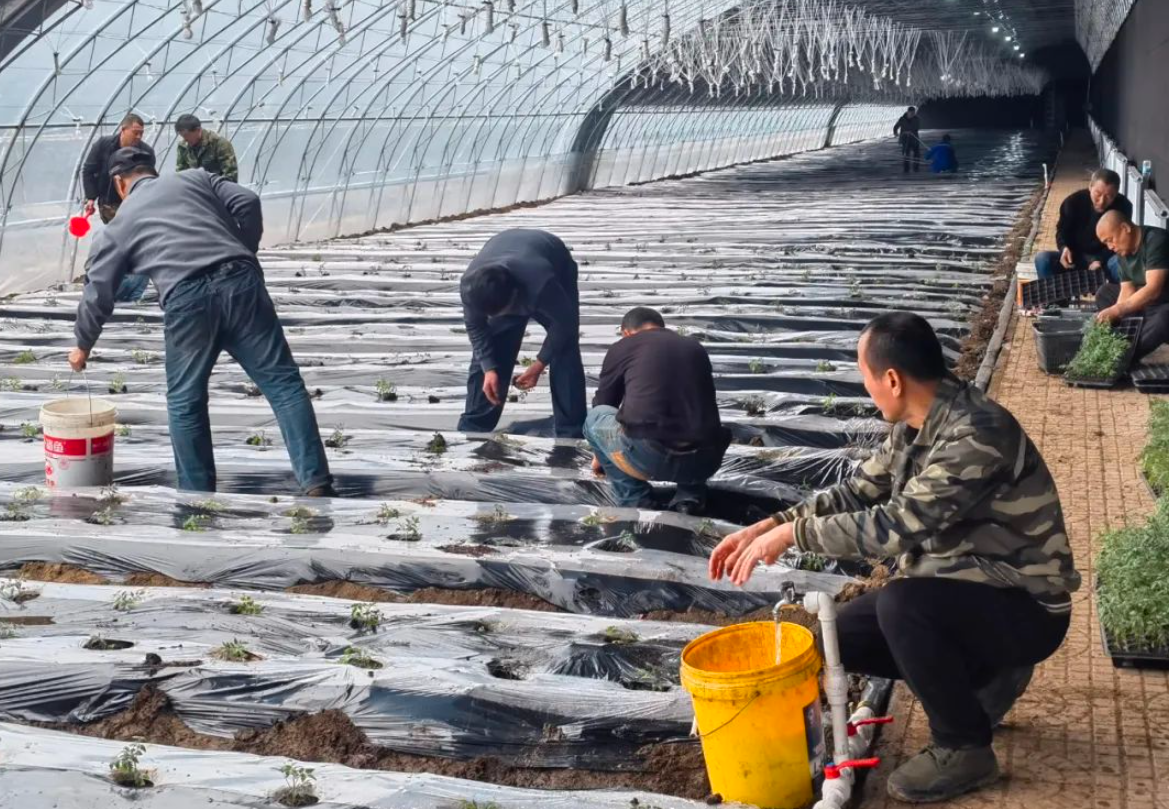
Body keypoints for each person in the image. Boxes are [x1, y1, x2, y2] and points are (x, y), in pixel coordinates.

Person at [709, 312, 1079, 804]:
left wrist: (795, 535)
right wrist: (771, 525)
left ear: (891, 379)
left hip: (1028, 606)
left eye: (865, 378)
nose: (867, 390)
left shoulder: (976, 434)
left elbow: (891, 526)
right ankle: (990, 676)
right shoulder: (918, 422)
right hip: (973, 590)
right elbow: (860, 490)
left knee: (903, 606)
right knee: (839, 637)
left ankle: (965, 747)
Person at [68, 146, 334, 498]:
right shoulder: (196, 178)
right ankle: (316, 482)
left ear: (119, 183)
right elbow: (248, 201)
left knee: (185, 402)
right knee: (284, 386)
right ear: (152, 170)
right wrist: (242, 249)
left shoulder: (119, 225)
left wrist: (82, 344)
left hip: (187, 300)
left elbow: (98, 290)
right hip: (242, 286)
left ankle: (197, 498)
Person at [584, 307, 731, 513]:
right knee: (695, 419)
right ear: (661, 328)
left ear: (626, 332)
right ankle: (690, 498)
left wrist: (602, 454)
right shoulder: (694, 347)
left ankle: (635, 499)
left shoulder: (625, 345)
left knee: (593, 419)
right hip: (707, 459)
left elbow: (605, 403)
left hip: (650, 456)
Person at [458, 228, 586, 438]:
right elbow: (476, 329)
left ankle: (571, 431)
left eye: (509, 310)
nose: (511, 315)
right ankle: (474, 427)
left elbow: (564, 325)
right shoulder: (471, 290)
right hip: (505, 248)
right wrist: (489, 368)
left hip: (555, 260)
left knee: (565, 348)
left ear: (516, 295)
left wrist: (539, 364)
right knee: (493, 349)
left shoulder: (542, 283)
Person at [81, 114, 157, 304]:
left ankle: (126, 282)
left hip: (134, 203)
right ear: (123, 129)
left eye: (141, 133)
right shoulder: (103, 146)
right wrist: (91, 197)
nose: (139, 137)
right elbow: (88, 170)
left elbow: (149, 178)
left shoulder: (145, 153)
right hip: (109, 203)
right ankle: (116, 280)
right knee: (115, 240)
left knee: (133, 242)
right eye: (135, 132)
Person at [1094, 211, 1169, 361]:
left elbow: (1153, 289)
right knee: (1104, 292)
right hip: (1147, 305)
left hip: (1163, 303)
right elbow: (1127, 289)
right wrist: (1115, 314)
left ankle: (1125, 357)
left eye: (1110, 240)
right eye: (1106, 243)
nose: (1110, 247)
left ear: (1125, 228)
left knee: (1164, 317)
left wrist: (1117, 310)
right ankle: (1127, 335)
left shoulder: (1156, 240)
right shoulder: (1123, 252)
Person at [1033, 169, 1131, 282]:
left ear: (1116, 194)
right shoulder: (1072, 202)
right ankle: (1056, 299)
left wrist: (1099, 260)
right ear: (1090, 187)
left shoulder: (1124, 206)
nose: (1101, 201)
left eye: (1109, 196)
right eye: (1097, 194)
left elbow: (1121, 242)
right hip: (1075, 257)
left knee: (1121, 262)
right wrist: (1064, 249)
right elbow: (1062, 233)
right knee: (1043, 259)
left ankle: (1116, 297)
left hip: (1105, 259)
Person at [175, 114, 239, 182]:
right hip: (195, 188)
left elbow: (230, 176)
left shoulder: (219, 143)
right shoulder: (183, 146)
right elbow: (181, 173)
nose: (185, 139)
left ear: (198, 130)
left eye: (186, 135)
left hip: (217, 188)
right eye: (182, 136)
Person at [892, 106, 921, 173]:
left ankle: (916, 168)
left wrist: (911, 131)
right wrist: (896, 133)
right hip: (905, 139)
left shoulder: (917, 119)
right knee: (906, 154)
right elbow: (896, 127)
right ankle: (906, 169)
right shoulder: (902, 119)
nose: (912, 114)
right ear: (908, 112)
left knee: (917, 154)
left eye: (914, 113)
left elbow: (917, 127)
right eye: (911, 113)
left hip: (914, 139)